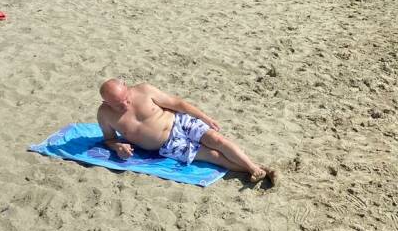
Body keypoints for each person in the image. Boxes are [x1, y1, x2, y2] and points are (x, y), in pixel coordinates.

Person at [97, 79, 277, 186]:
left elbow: (177, 104)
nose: (125, 105)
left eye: (126, 99)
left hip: (180, 122)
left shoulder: (144, 90)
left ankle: (254, 168)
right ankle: (261, 170)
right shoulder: (105, 114)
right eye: (118, 105)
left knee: (216, 139)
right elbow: (109, 140)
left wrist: (205, 118)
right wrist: (118, 146)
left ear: (127, 89)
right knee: (214, 156)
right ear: (106, 103)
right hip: (168, 146)